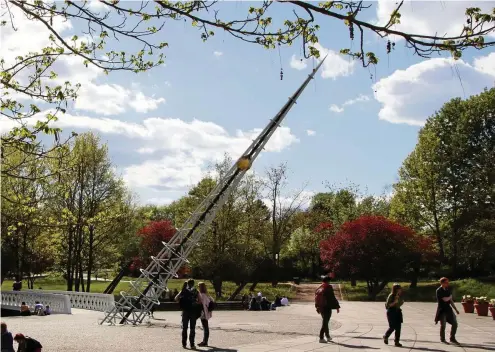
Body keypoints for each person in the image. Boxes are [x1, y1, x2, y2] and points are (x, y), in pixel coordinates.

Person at [315, 276, 340, 343]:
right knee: (325, 322)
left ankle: (327, 336)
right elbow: (332, 297)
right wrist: (337, 306)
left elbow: (316, 298)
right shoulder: (329, 287)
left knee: (325, 321)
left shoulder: (320, 287)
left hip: (321, 307)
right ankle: (321, 338)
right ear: (328, 281)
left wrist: (317, 307)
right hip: (327, 307)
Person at [175, 279, 200, 349]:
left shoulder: (183, 290)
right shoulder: (196, 291)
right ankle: (192, 344)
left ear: (187, 284)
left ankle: (184, 344)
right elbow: (200, 301)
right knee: (192, 328)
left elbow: (176, 298)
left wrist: (182, 302)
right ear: (193, 284)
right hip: (193, 312)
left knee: (184, 328)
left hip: (185, 311)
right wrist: (194, 302)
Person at [435, 277, 460, 344]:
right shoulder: (439, 290)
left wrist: (456, 309)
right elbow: (445, 299)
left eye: (448, 282)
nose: (447, 284)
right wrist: (450, 297)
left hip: (448, 309)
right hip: (442, 309)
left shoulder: (447, 290)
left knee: (455, 323)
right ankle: (442, 339)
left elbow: (450, 300)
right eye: (446, 282)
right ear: (442, 283)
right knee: (443, 325)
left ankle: (452, 338)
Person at [197, 282, 214, 347]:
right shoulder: (206, 294)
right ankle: (205, 341)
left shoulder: (202, 295)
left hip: (203, 313)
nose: (198, 287)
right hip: (205, 312)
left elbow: (202, 305)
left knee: (205, 327)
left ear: (200, 287)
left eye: (199, 286)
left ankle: (205, 342)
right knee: (205, 327)